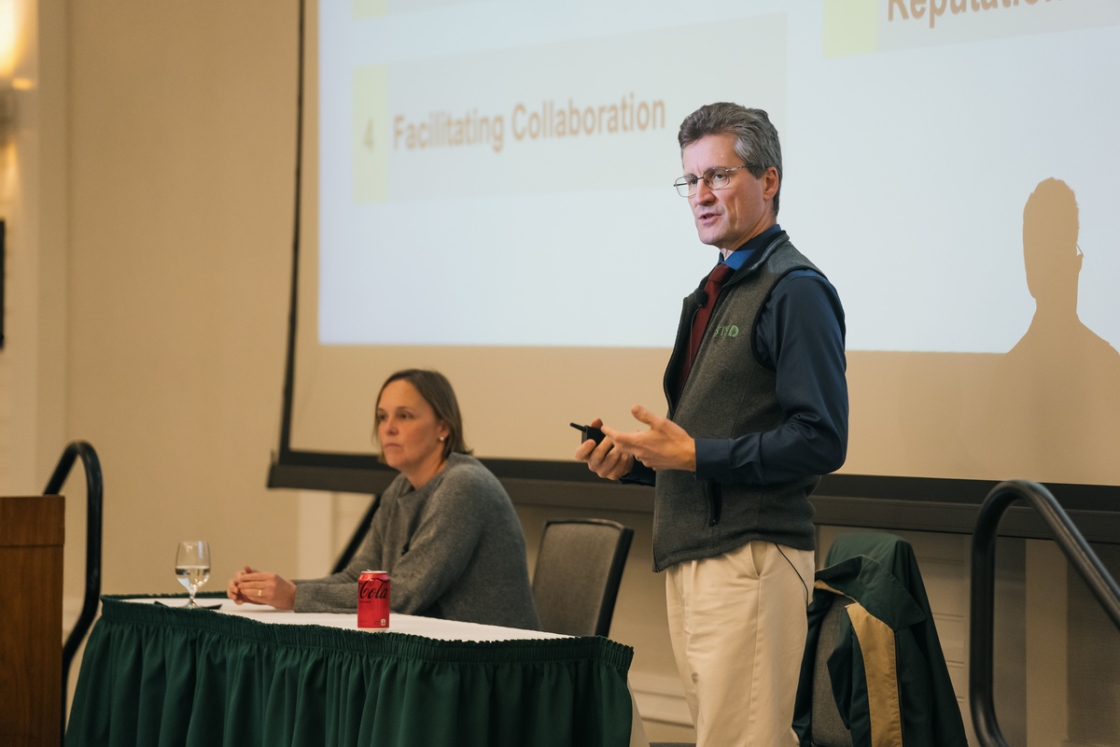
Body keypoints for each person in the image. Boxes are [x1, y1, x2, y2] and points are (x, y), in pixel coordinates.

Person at [576, 103, 848, 747]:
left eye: (718, 176)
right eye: (690, 180)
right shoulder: (711, 291)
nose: (700, 195)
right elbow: (703, 445)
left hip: (751, 557)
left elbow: (822, 437)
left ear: (769, 180)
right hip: (692, 555)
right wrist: (639, 461)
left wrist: (696, 455)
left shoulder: (795, 289)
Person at [228, 368, 540, 630]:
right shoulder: (400, 489)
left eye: (404, 416)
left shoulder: (464, 486)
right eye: (381, 417)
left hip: (494, 666)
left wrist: (295, 597)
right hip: (437, 655)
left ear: (442, 427)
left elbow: (405, 594)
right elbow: (358, 576)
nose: (387, 428)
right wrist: (273, 592)